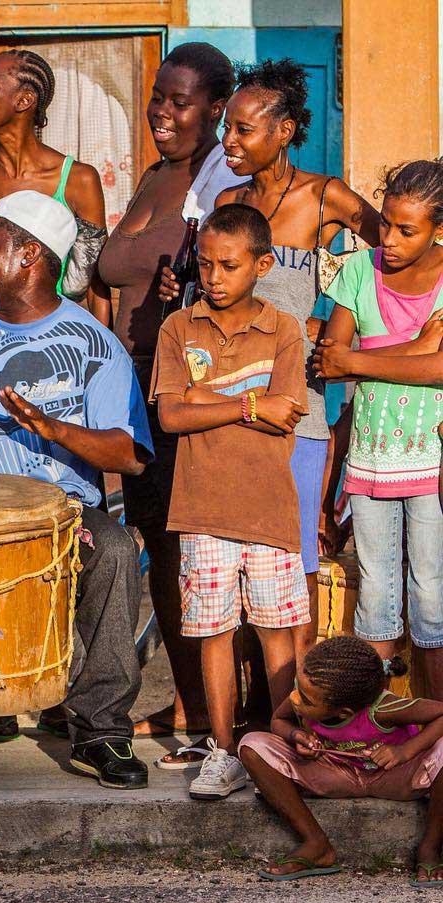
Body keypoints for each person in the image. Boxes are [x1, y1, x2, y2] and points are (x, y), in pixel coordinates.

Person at [161, 59, 380, 671]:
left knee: (293, 560)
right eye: (227, 128)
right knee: (225, 567)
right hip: (223, 411)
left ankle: (295, 709)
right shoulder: (227, 201)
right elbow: (204, 290)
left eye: (242, 130)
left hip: (292, 408)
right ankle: (238, 721)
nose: (227, 142)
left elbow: (391, 258)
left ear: (284, 131)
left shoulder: (322, 195)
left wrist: (338, 321)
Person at [0, 190, 154, 786]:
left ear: (30, 253)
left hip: (68, 511)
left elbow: (131, 453)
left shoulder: (94, 345)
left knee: (112, 550)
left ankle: (102, 730)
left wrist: (49, 426)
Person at [93, 41, 237, 743]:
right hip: (133, 396)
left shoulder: (217, 182)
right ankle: (190, 702)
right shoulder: (155, 176)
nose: (162, 113)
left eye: (180, 102)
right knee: (160, 550)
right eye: (158, 98)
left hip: (182, 395)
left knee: (194, 558)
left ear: (216, 109)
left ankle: (218, 715)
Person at [151, 203, 310, 800]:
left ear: (262, 265)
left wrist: (204, 400)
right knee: (213, 631)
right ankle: (223, 750)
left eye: (230, 265)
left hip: (268, 510)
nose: (214, 277)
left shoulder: (285, 329)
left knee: (277, 630)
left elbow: (285, 416)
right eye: (207, 264)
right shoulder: (178, 328)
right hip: (202, 510)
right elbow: (170, 416)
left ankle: (285, 743)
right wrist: (248, 404)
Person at [311, 161, 443, 700]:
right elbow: (328, 360)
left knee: (432, 597)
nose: (388, 238)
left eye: (406, 229)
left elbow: (438, 372)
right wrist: (415, 349)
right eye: (385, 222)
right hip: (367, 465)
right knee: (377, 599)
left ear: (439, 229)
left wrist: (358, 360)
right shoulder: (359, 271)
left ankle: (434, 728)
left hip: (432, 464)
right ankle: (377, 723)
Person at [241, 636, 443, 886]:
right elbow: (278, 720)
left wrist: (405, 751)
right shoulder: (307, 693)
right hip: (336, 773)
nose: (295, 699)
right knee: (252, 746)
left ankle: (431, 847)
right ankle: (316, 844)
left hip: (394, 777)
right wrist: (297, 736)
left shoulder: (383, 708)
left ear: (343, 712)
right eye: (297, 688)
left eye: (306, 700)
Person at [0, 49, 106, 303]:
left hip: (52, 334)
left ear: (24, 100)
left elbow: (94, 284)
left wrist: (101, 340)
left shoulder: (78, 180)